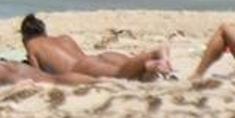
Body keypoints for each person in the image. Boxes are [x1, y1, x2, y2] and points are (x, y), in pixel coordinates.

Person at [20, 13, 171, 80]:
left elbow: (39, 75)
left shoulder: (32, 46)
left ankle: (154, 56)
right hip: (97, 58)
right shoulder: (63, 38)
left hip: (81, 68)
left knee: (120, 75)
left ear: (25, 36)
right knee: (131, 70)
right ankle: (153, 67)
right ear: (44, 31)